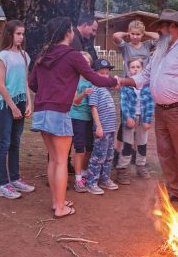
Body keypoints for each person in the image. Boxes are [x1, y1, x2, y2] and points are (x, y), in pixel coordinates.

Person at [28, 17, 118, 218]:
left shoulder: (43, 55)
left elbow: (33, 84)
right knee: (60, 161)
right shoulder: (73, 55)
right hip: (59, 111)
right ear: (68, 32)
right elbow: (94, 77)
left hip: (42, 110)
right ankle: (60, 208)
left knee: (54, 160)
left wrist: (49, 89)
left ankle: (56, 201)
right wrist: (115, 81)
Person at [121, 9, 178, 210]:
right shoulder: (160, 50)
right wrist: (123, 81)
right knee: (166, 153)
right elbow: (145, 76)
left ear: (174, 27)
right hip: (160, 110)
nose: (159, 30)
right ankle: (175, 190)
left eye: (162, 26)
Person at [0, 20, 35, 199]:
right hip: (6, 104)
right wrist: (12, 107)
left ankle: (15, 178)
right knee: (4, 142)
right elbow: (1, 85)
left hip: (20, 101)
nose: (21, 37)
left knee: (15, 141)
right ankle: (3, 184)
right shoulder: (2, 56)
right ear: (10, 34)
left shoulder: (25, 55)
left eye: (23, 33)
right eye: (18, 33)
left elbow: (25, 81)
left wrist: (29, 103)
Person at [112, 20, 159, 165]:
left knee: (142, 120)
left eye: (138, 34)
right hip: (129, 85)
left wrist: (144, 33)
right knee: (127, 121)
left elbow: (157, 37)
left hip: (144, 85)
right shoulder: (126, 47)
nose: (135, 36)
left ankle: (134, 154)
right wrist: (128, 33)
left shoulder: (146, 45)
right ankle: (117, 152)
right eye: (133, 34)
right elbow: (115, 36)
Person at [116, 57, 155, 185]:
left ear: (142, 69)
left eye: (138, 67)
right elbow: (124, 103)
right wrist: (127, 117)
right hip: (130, 119)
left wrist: (147, 120)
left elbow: (150, 103)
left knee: (142, 143)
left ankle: (141, 166)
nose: (135, 69)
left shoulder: (147, 85)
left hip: (142, 118)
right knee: (127, 144)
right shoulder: (126, 86)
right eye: (133, 67)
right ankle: (122, 169)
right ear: (128, 70)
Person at [86, 58, 120, 195]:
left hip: (110, 129)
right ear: (95, 73)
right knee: (98, 156)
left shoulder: (106, 88)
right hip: (102, 129)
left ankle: (105, 179)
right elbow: (93, 108)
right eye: (102, 73)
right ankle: (91, 182)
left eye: (107, 73)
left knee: (109, 155)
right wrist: (98, 127)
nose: (105, 76)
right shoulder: (95, 88)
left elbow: (117, 85)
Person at [71, 51, 95, 193]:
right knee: (79, 149)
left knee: (89, 148)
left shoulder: (92, 79)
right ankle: (78, 179)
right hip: (77, 117)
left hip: (89, 118)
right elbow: (75, 101)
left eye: (87, 62)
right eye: (82, 61)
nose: (84, 65)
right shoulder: (74, 79)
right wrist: (84, 93)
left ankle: (84, 174)